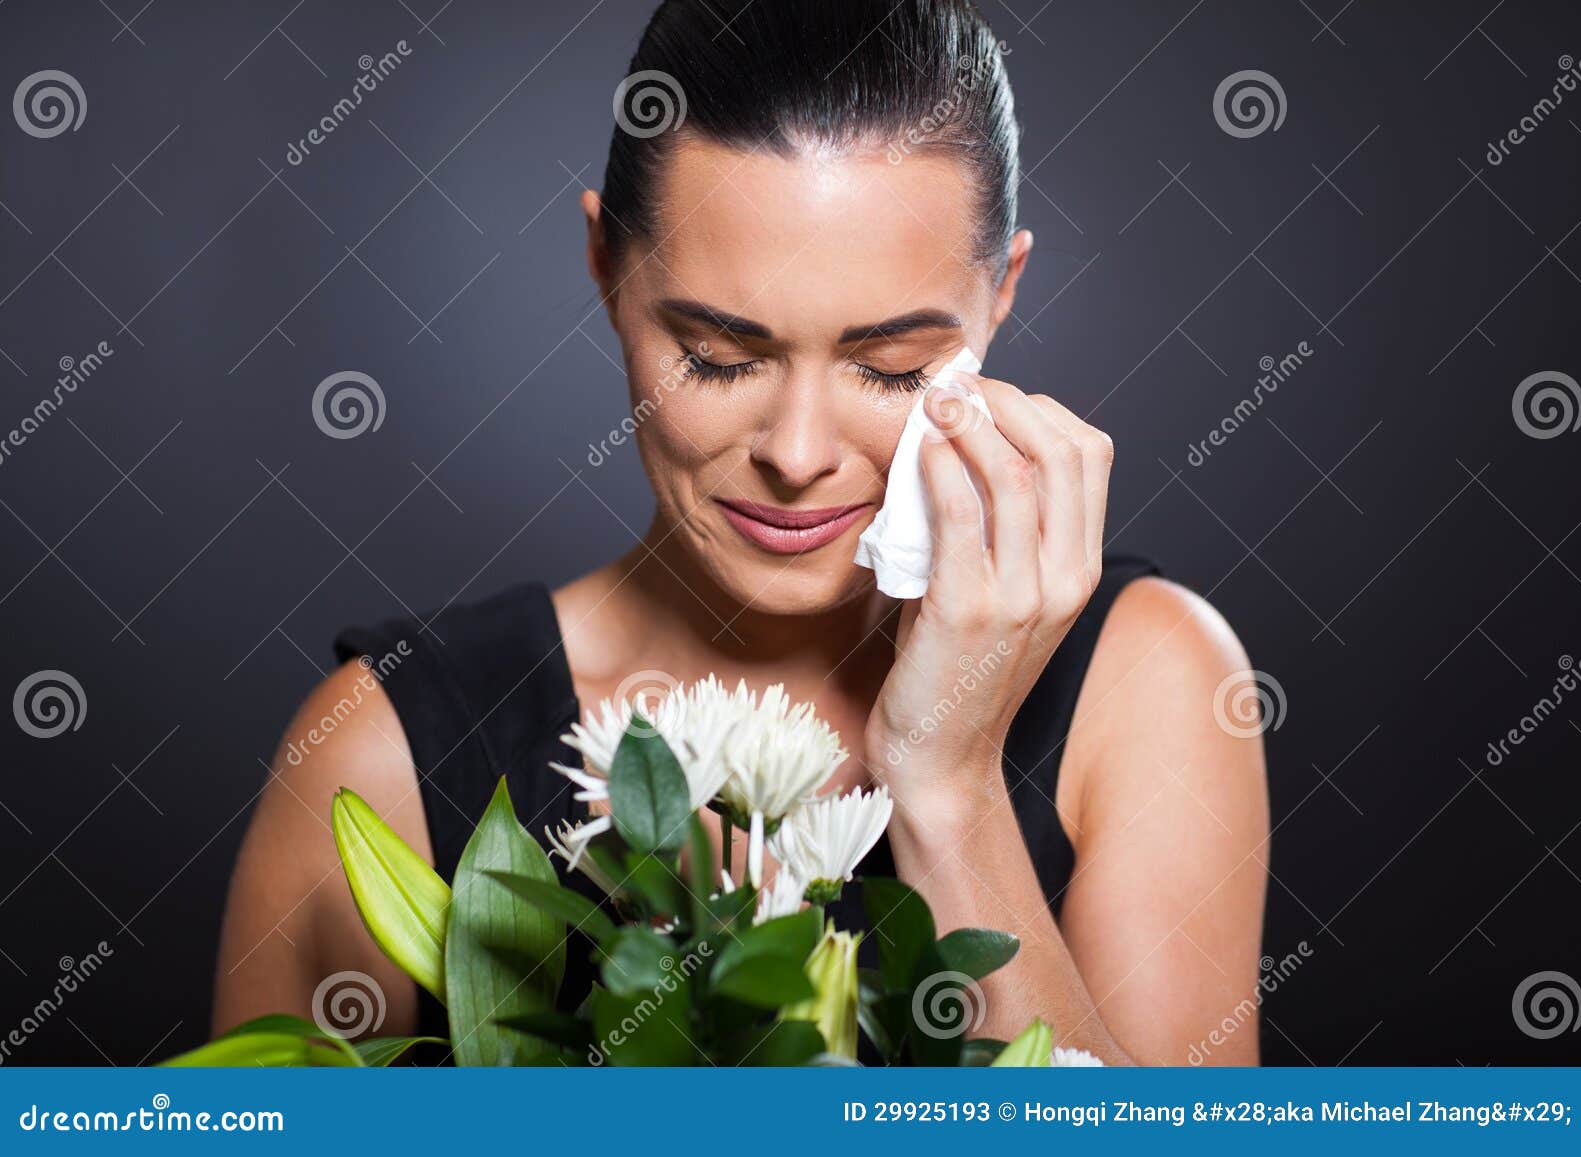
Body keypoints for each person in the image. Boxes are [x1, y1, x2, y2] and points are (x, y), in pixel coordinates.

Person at [214, 0, 1268, 1065]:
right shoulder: (386, 749)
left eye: (892, 368)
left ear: (998, 298)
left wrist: (945, 783)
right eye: (718, 355)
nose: (799, 452)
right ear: (605, 268)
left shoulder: (1149, 682)